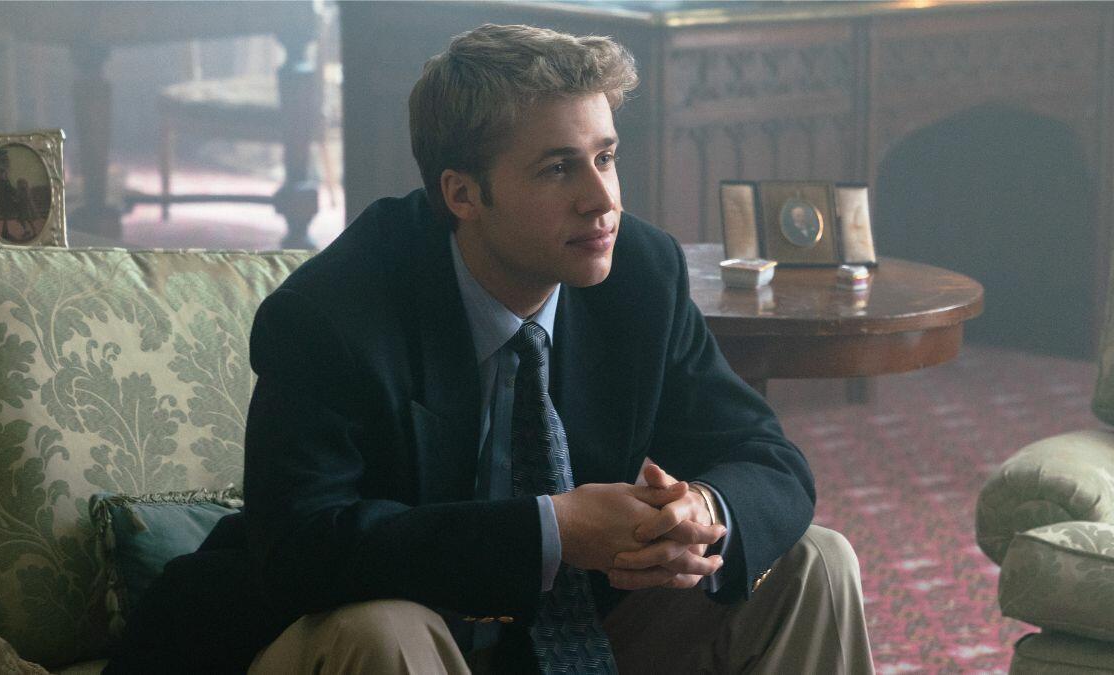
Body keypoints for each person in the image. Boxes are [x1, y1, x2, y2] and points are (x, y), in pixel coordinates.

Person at [111, 23, 873, 674]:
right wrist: (553, 530)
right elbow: (303, 549)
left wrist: (703, 509)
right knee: (386, 628)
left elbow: (769, 458)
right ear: (462, 194)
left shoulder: (642, 274)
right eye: (559, 168)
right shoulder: (333, 313)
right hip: (351, 641)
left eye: (606, 157)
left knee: (814, 561)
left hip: (566, 638)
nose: (603, 199)